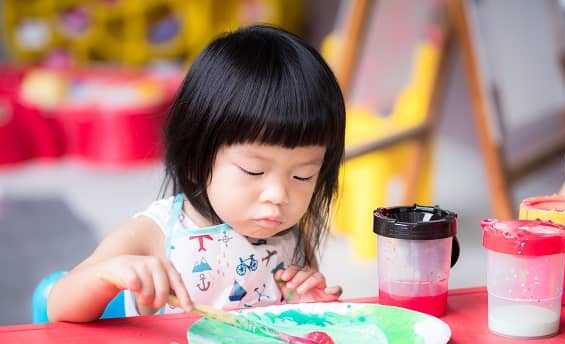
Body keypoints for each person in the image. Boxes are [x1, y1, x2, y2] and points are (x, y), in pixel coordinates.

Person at [47, 25, 345, 322]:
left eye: (303, 176)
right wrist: (108, 275)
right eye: (254, 170)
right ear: (196, 159)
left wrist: (307, 305)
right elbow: (57, 306)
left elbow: (295, 334)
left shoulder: (291, 241)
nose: (279, 195)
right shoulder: (154, 235)